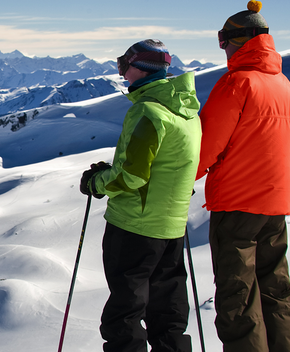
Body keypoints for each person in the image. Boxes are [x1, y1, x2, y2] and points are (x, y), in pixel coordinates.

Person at [80, 39, 201, 352]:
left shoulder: (148, 112)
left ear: (141, 68)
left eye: (124, 64)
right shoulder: (187, 113)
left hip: (135, 226)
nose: (122, 72)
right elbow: (169, 167)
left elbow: (131, 176)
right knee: (168, 312)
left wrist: (96, 182)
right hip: (172, 229)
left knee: (124, 316)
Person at [196, 1, 290, 351]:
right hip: (275, 203)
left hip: (238, 204)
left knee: (237, 298)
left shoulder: (236, 83)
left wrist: (179, 179)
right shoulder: (285, 86)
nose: (223, 47)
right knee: (275, 291)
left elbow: (206, 146)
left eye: (223, 40)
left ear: (238, 40)